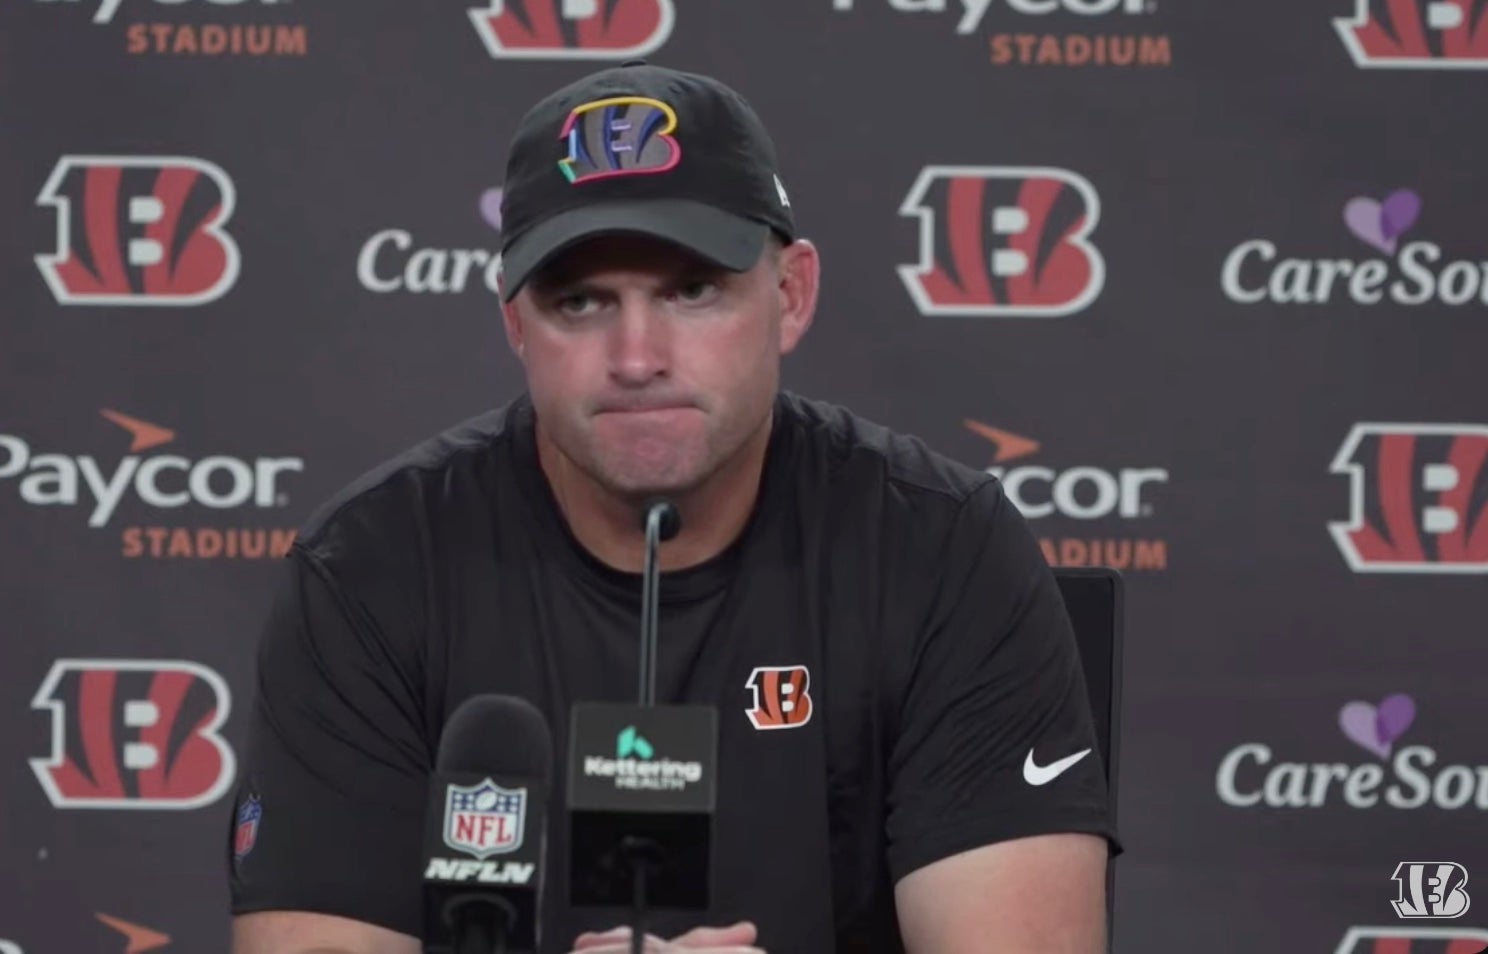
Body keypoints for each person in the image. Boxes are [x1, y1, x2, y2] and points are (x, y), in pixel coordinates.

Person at [227, 61, 1121, 954]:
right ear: (514, 322)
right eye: (581, 302)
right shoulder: (371, 569)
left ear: (791, 294)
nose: (637, 355)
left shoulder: (942, 550)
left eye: (692, 291)